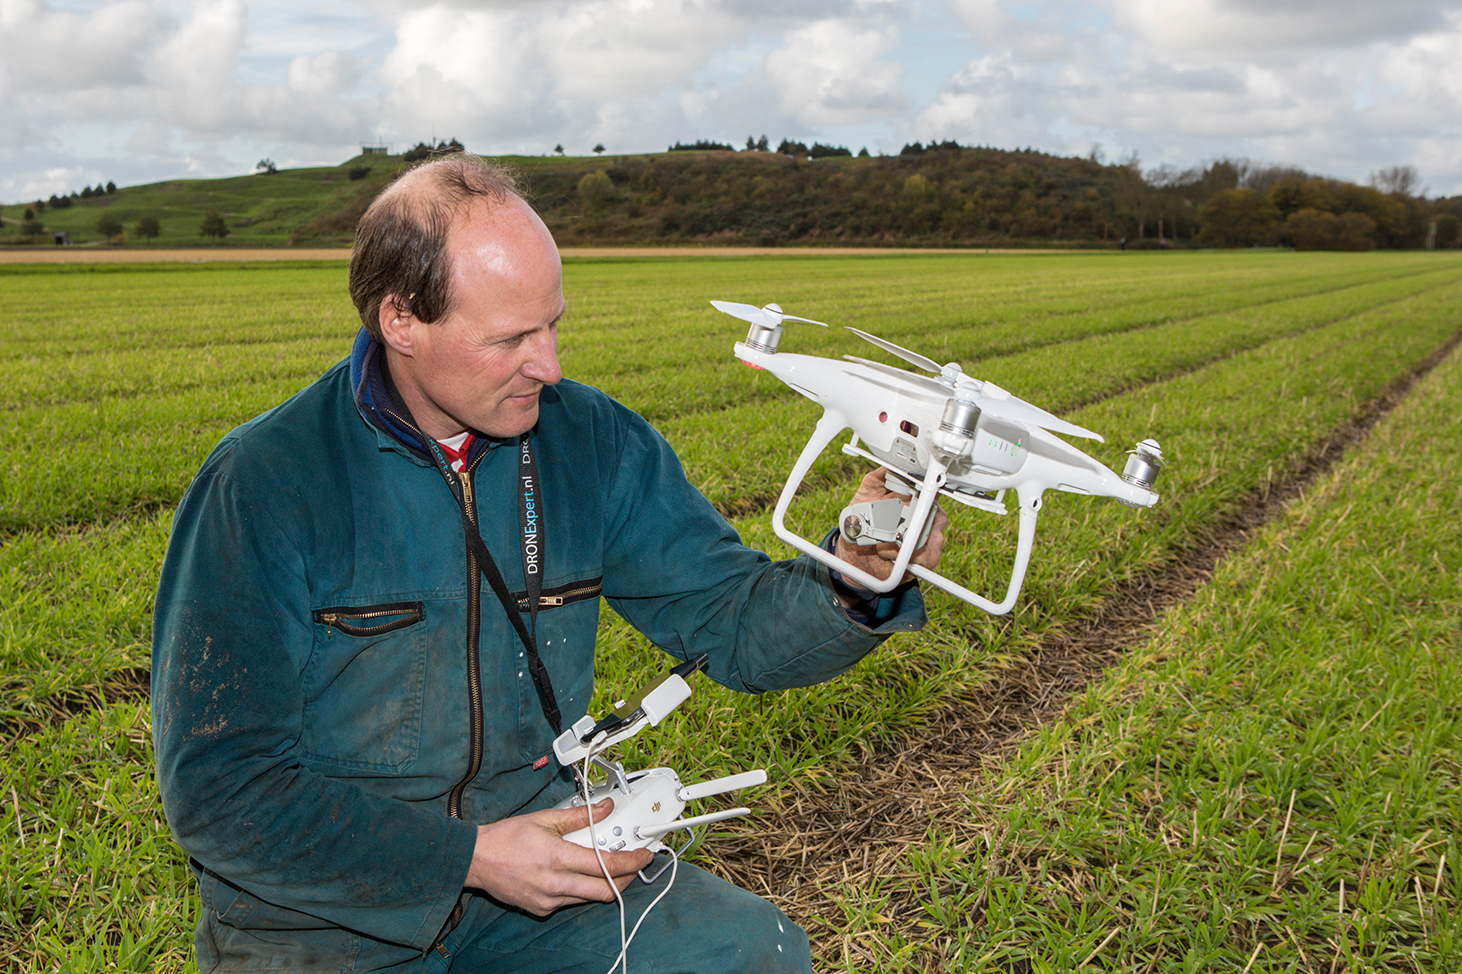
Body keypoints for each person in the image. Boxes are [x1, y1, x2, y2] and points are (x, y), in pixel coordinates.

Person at [152, 154, 945, 973]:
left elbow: (732, 623)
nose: (551, 365)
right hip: (325, 917)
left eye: (553, 324)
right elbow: (221, 789)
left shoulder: (591, 443)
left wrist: (859, 577)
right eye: (512, 339)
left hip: (547, 871)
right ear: (401, 321)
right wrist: (469, 858)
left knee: (755, 954)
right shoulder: (265, 483)